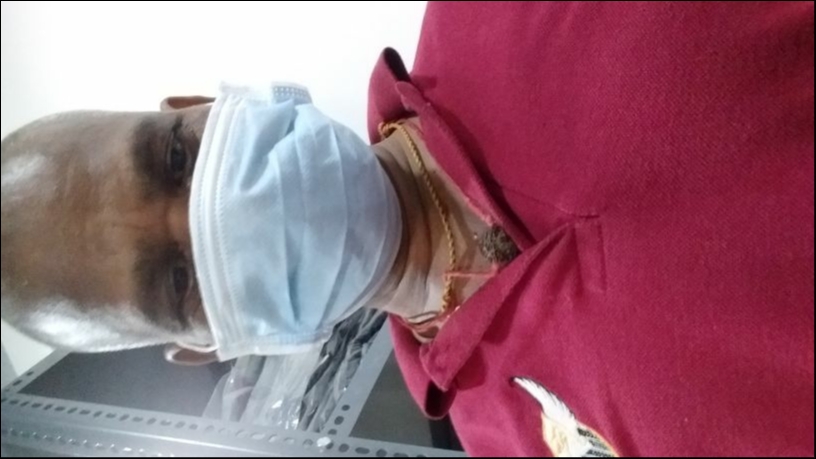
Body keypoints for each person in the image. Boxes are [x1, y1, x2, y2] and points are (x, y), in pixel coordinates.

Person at [2, 2, 813, 456]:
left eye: (175, 160)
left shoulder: (494, 13)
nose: (216, 212)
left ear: (199, 108)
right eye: (177, 276)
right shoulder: (501, 433)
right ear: (206, 344)